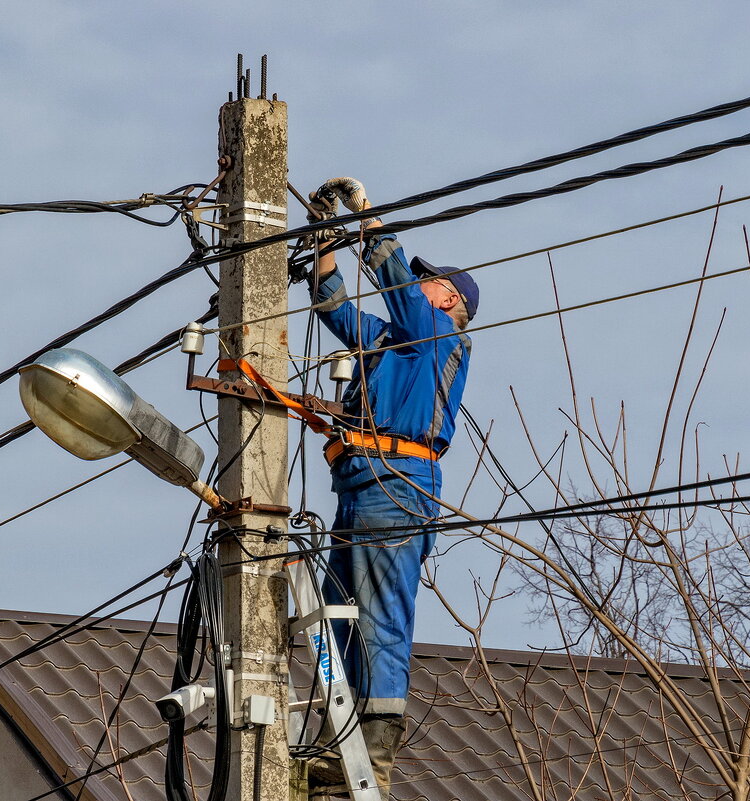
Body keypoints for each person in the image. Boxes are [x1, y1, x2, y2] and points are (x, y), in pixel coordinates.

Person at [304, 177, 477, 797]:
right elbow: (335, 310)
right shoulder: (393, 340)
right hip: (359, 486)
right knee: (335, 620)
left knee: (379, 617)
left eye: (428, 278)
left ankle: (374, 753)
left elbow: (399, 290)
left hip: (396, 486)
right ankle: (339, 739)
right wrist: (324, 241)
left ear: (448, 298)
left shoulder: (438, 337)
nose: (418, 280)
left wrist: (366, 215)